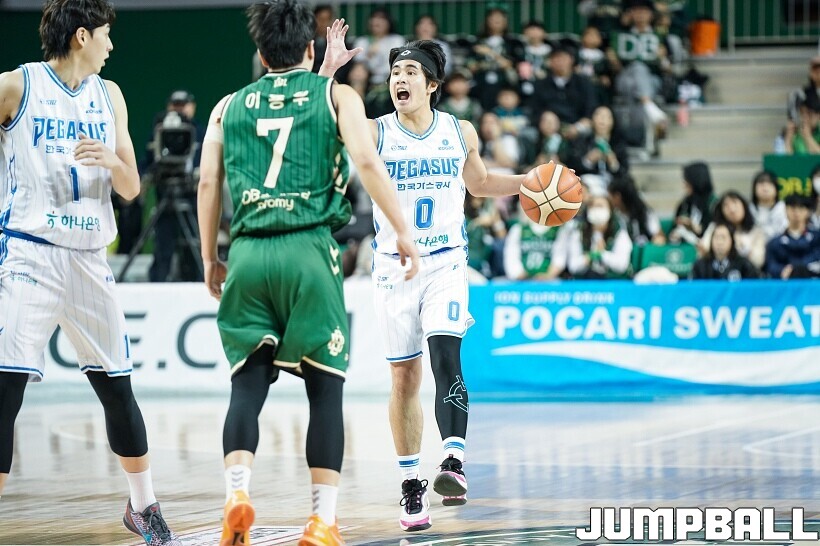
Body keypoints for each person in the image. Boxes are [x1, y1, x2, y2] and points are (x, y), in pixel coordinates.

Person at [197, 7, 419, 546]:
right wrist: (402, 229)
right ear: (310, 49)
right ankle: (321, 521)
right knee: (325, 389)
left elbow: (208, 183)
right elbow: (367, 163)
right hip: (310, 250)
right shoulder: (337, 97)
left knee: (247, 383)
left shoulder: (227, 105)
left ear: (260, 52)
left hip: (248, 251)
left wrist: (210, 258)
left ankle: (236, 494)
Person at [320, 29, 550, 532]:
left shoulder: (459, 130)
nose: (398, 79)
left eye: (409, 72)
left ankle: (453, 461)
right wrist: (328, 72)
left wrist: (528, 183)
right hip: (393, 268)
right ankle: (410, 484)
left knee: (446, 356)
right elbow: (318, 120)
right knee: (405, 379)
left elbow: (479, 183)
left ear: (431, 85)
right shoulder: (375, 131)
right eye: (394, 72)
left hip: (446, 263)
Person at [0, 1, 180, 544]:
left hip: (88, 258)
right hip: (29, 254)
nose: (111, 45)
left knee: (118, 388)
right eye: (105, 34)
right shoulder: (16, 86)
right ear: (82, 36)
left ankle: (143, 506)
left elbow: (132, 188)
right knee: (5, 390)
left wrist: (113, 161)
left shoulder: (110, 95)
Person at [140, 89, 205, 282]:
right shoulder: (159, 130)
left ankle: (198, 283)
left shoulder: (200, 133)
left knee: (193, 244)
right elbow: (149, 161)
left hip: (191, 197)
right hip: (165, 195)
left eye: (183, 105)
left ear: (192, 107)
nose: (179, 110)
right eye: (175, 105)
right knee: (163, 246)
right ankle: (156, 283)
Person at [690, 223, 760, 280]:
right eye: (717, 237)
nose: (720, 242)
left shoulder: (743, 264)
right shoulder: (700, 265)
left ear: (732, 241)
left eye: (723, 238)